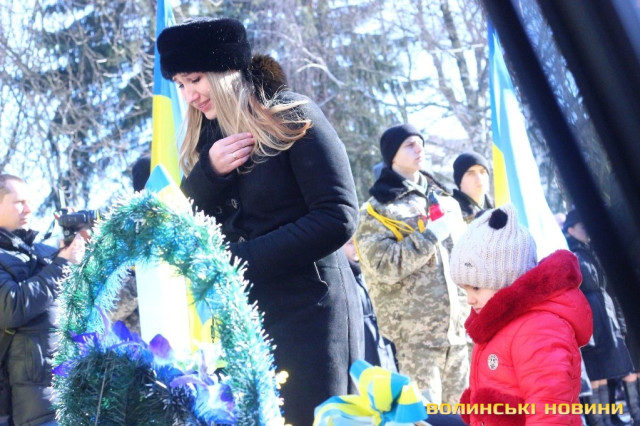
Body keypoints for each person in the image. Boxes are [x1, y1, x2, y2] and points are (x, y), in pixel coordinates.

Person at [156, 18, 363, 425]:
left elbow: (338, 215)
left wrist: (241, 261)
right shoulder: (204, 144)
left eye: (195, 79)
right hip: (244, 320)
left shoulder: (291, 113)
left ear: (226, 69)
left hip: (312, 315)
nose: (189, 95)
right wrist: (208, 174)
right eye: (179, 84)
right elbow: (182, 227)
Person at [354, 123, 469, 405]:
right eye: (409, 145)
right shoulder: (377, 209)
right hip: (413, 342)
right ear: (392, 154)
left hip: (459, 336)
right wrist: (430, 236)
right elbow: (383, 266)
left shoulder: (448, 202)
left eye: (421, 143)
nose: (419, 149)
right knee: (423, 419)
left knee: (465, 418)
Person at [450, 203, 592, 425]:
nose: (470, 299)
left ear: (509, 278)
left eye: (476, 288)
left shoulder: (538, 329)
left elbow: (551, 411)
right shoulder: (494, 323)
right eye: (465, 289)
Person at [0, 174, 86, 425]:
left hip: (65, 393)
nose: (29, 209)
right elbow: (12, 306)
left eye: (29, 201)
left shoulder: (39, 252)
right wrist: (62, 263)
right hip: (29, 405)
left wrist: (77, 245)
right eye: (20, 202)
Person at [564, 209, 640, 426]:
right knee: (595, 374)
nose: (587, 230)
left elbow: (605, 289)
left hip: (604, 318)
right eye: (582, 227)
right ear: (570, 230)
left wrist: (618, 322)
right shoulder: (572, 256)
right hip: (591, 320)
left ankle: (608, 419)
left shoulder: (589, 252)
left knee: (605, 372)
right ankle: (599, 421)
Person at [342, 238, 398, 373]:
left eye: (357, 241)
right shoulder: (342, 280)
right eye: (350, 243)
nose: (356, 247)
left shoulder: (367, 273)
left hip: (382, 347)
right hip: (363, 351)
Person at [451, 151, 494, 224]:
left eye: (483, 172)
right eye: (471, 174)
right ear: (460, 181)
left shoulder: (499, 205)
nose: (479, 178)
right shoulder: (451, 211)